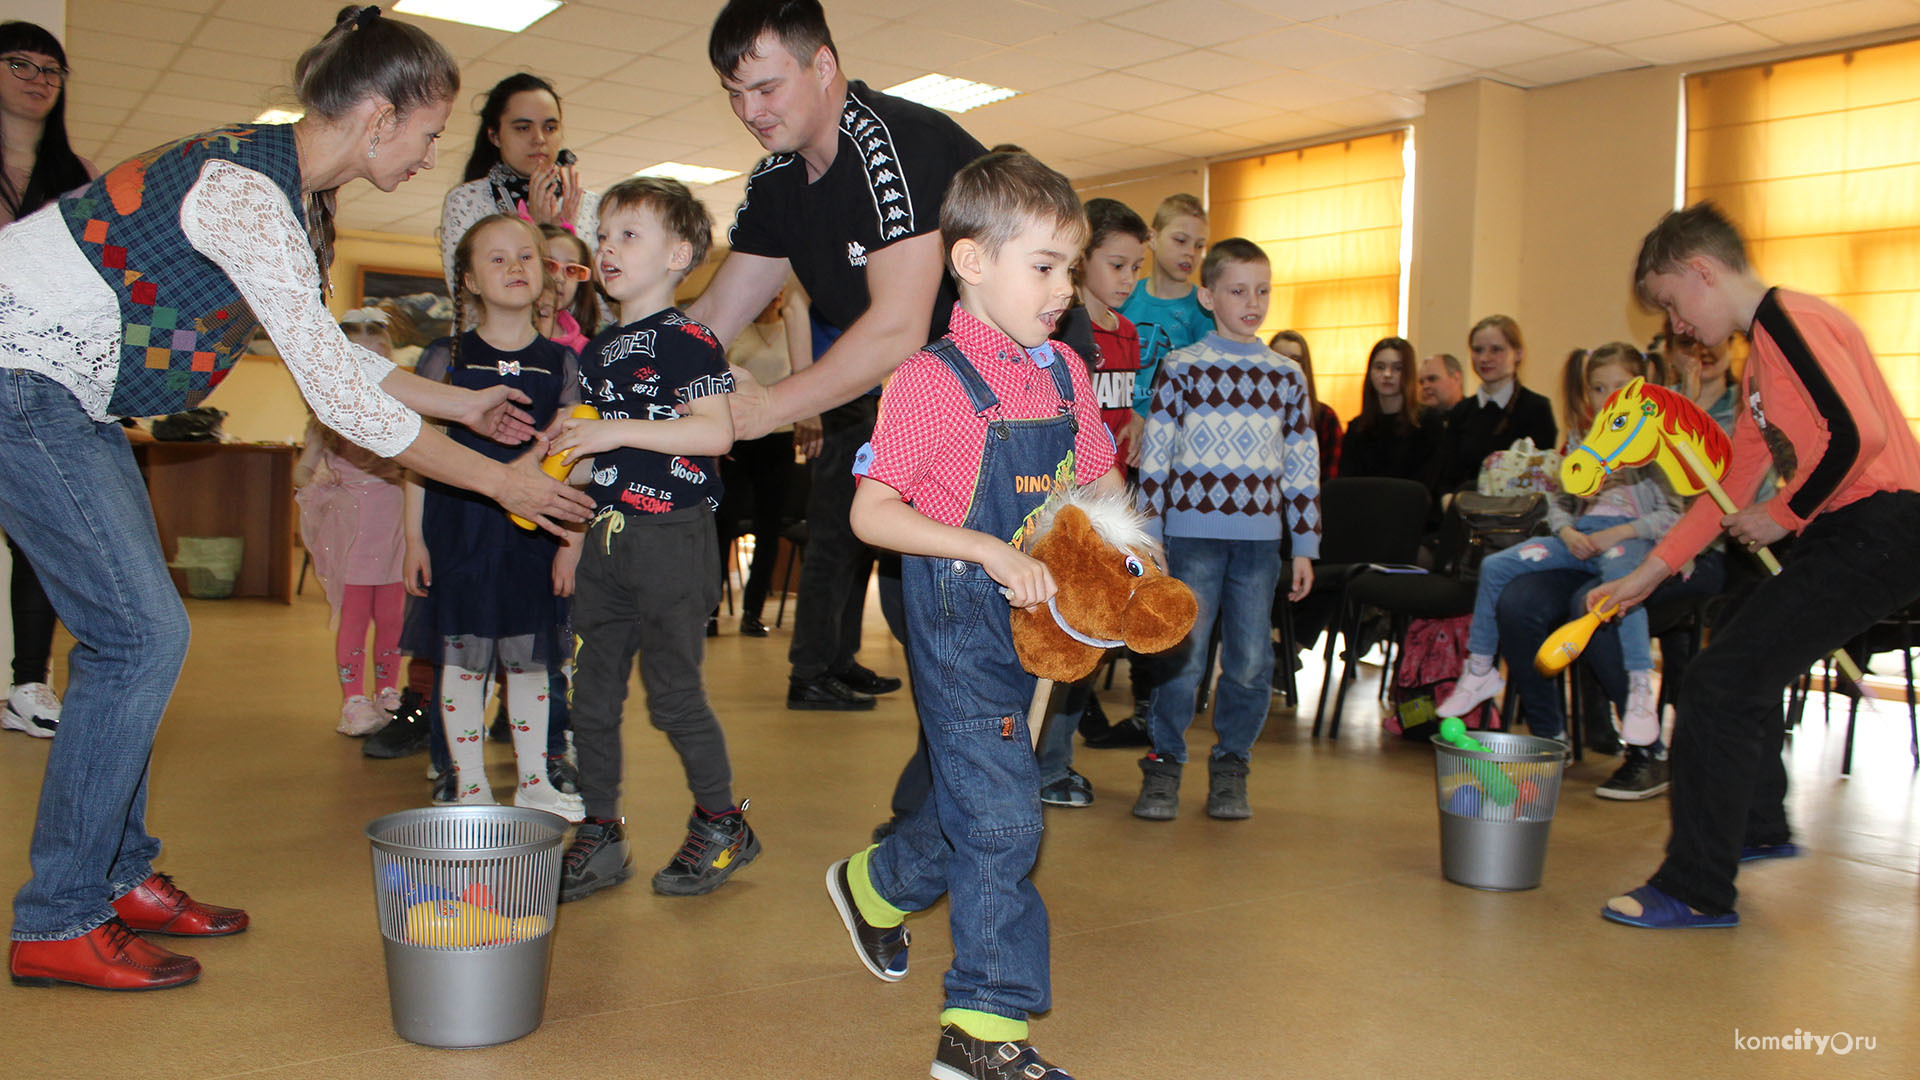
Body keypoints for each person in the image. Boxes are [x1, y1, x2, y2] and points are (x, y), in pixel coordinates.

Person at [0, 6, 591, 993]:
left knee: (132, 639)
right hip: (21, 378)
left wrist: (463, 401)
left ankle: (114, 875)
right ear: (377, 115)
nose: (432, 151)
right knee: (139, 638)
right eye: (431, 129)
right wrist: (498, 478)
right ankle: (61, 914)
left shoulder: (282, 191)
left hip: (64, 397)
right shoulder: (242, 192)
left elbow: (339, 354)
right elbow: (334, 389)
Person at [826, 151, 1115, 1080]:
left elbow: (1101, 481)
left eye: (1071, 267)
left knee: (978, 804)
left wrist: (1123, 562)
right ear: (972, 262)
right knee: (1005, 820)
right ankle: (981, 1033)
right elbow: (872, 513)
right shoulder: (929, 383)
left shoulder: (1068, 373)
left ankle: (877, 885)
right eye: (1045, 266)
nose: (1064, 288)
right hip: (954, 617)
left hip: (1038, 616)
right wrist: (987, 548)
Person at [1591, 202, 1920, 929]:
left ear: (1701, 272)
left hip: (1884, 528)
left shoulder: (1789, 321)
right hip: (1856, 531)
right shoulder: (1763, 361)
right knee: (1738, 638)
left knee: (1718, 682)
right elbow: (1729, 485)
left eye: (1673, 303)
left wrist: (1785, 512)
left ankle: (1697, 886)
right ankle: (1760, 825)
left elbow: (1855, 435)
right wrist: (1647, 574)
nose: (1676, 326)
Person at [689, 0, 984, 712]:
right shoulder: (777, 183)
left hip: (1007, 399)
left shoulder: (894, 145)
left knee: (960, 634)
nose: (749, 110)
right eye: (733, 93)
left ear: (824, 64)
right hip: (929, 402)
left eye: (766, 87)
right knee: (933, 629)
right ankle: (939, 815)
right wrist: (610, 398)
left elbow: (897, 329)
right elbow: (706, 326)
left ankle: (970, 808)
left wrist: (765, 409)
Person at [549, 177, 751, 901]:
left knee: (672, 696)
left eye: (628, 234)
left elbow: (714, 432)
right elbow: (608, 456)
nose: (607, 247)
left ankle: (723, 821)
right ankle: (599, 830)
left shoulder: (689, 339)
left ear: (679, 254)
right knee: (591, 695)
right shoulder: (603, 347)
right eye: (603, 234)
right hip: (608, 538)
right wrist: (570, 477)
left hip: (671, 537)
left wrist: (611, 430)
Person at [401, 214, 586, 824]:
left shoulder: (560, 363)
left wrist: (571, 544)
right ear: (470, 281)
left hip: (530, 538)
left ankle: (535, 780)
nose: (514, 267)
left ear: (547, 275)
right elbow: (415, 452)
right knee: (463, 659)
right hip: (459, 532)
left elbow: (574, 458)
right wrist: (412, 540)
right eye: (497, 258)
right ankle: (470, 784)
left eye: (527, 256)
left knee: (530, 659)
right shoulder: (443, 357)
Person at [1134, 238, 1320, 822]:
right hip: (1188, 540)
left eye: (1262, 291)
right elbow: (1156, 456)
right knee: (1181, 660)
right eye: (1238, 291)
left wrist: (1306, 544)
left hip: (1260, 544)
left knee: (1248, 662)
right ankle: (1164, 764)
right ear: (1209, 295)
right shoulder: (1181, 367)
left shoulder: (1286, 376)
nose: (1253, 302)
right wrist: (1149, 533)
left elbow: (1302, 462)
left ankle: (1232, 765)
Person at [1435, 343, 1683, 755]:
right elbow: (1560, 502)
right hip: (1579, 540)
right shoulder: (1585, 439)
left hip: (1627, 544)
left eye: (1621, 387)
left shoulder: (1658, 445)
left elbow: (1674, 516)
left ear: (1644, 389)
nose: (1609, 398)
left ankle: (1640, 686)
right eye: (1600, 388)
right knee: (1497, 567)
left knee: (1618, 591)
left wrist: (1619, 533)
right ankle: (1480, 670)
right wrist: (1567, 533)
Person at [1032, 195, 1149, 806]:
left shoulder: (1127, 334)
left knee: (1092, 639)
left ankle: (1055, 758)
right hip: (1063, 506)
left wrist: (1134, 426)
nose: (1128, 279)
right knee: (1062, 635)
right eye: (1116, 264)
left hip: (1109, 503)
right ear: (1083, 265)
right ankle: (1044, 765)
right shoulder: (1066, 325)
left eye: (1136, 267)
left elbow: (1118, 411)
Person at [0, 19, 95, 739]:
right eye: (20, 64)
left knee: (43, 536)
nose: (37, 79)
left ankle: (28, 684)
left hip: (41, 373)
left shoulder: (75, 178)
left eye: (51, 69)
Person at [296, 308, 407, 737]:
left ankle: (387, 692)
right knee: (356, 619)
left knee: (393, 619)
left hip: (394, 532)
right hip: (356, 535)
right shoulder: (327, 422)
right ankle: (353, 701)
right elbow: (302, 471)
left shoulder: (398, 415)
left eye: (375, 361)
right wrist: (321, 483)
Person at [439, 73, 598, 290]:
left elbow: (600, 304)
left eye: (550, 128)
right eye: (523, 128)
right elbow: (466, 297)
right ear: (495, 136)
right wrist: (537, 234)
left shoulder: (590, 205)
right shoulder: (468, 201)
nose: (539, 139)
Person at [722, 286, 811, 637]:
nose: (773, 297)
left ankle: (752, 613)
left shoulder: (794, 330)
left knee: (768, 528)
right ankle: (710, 614)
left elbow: (802, 383)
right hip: (738, 439)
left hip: (779, 439)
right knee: (723, 523)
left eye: (778, 292)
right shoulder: (737, 331)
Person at [1435, 315, 1558, 495]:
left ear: (1518, 353)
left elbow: (1539, 479)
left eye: (1496, 350)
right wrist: (1448, 500)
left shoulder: (1536, 409)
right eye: (1478, 350)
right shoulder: (1461, 411)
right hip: (1462, 510)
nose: (1485, 358)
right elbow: (1446, 476)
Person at [1340, 335, 1441, 486]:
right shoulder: (1357, 428)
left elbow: (1428, 485)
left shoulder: (1429, 423)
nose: (1387, 374)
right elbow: (1347, 485)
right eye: (1380, 367)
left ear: (1408, 373)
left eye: (1397, 368)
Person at [1270, 329, 1342, 480]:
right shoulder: (1257, 416)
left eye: (1295, 360)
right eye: (1280, 359)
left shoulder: (1326, 418)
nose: (1288, 368)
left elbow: (1330, 483)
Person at [537, 222, 599, 354]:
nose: (560, 278)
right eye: (549, 265)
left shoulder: (585, 351)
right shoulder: (509, 331)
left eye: (571, 270)